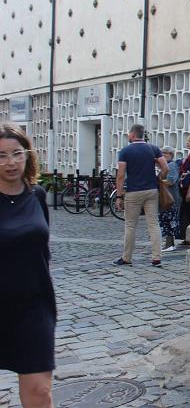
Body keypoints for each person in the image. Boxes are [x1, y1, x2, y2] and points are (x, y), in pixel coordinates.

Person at [0, 123, 56, 408]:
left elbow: (41, 250)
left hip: (34, 306)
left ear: (27, 155)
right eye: (1, 155)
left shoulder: (37, 196)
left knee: (39, 392)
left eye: (16, 153)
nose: (10, 162)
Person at [114, 124, 168, 267]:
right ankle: (157, 258)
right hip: (151, 190)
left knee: (130, 225)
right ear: (143, 134)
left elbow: (120, 175)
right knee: (154, 224)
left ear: (132, 135)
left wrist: (119, 196)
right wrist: (159, 178)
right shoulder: (153, 149)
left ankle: (127, 258)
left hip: (133, 191)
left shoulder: (125, 151)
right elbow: (165, 167)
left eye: (128, 134)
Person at [158, 146, 181, 252]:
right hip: (165, 198)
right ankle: (168, 243)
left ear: (171, 155)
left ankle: (170, 244)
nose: (162, 155)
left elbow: (171, 181)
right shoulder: (166, 165)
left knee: (170, 221)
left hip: (170, 198)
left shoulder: (171, 165)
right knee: (165, 220)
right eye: (161, 153)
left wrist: (159, 182)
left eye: (165, 153)